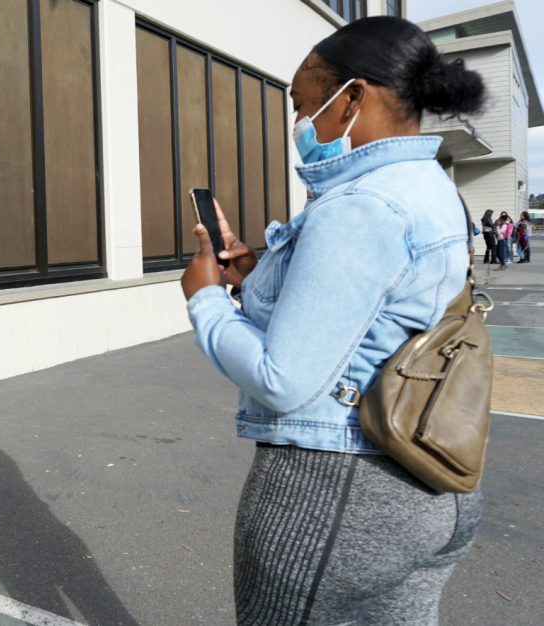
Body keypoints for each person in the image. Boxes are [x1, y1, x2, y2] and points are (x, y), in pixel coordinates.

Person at [181, 17, 485, 625]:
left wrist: (206, 299)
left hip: (336, 488)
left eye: (303, 102)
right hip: (435, 476)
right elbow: (378, 308)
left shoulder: (360, 205)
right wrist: (256, 274)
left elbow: (282, 380)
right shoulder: (428, 187)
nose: (299, 124)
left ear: (352, 96)